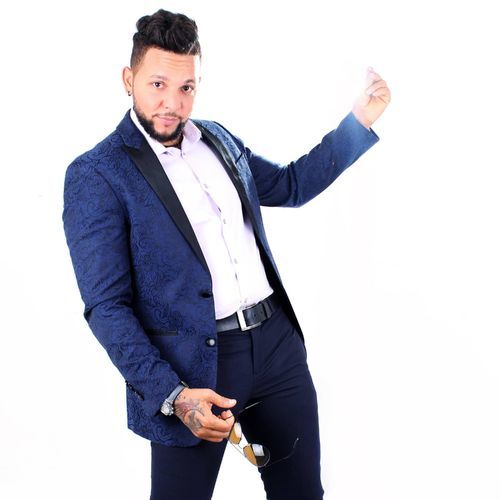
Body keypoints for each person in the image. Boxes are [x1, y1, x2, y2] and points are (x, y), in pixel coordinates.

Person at [62, 8, 390, 500]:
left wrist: (358, 121)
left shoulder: (216, 138)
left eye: (186, 88)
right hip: (192, 370)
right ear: (128, 79)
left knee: (302, 493)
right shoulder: (97, 173)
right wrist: (173, 396)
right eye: (157, 85)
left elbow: (291, 185)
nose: (172, 103)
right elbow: (107, 307)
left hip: (277, 348)